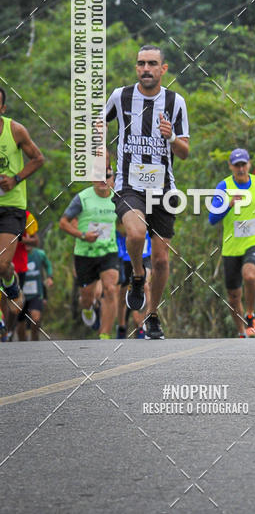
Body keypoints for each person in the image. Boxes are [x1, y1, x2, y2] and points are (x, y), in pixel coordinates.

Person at [103, 45, 189, 340]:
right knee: (136, 235)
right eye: (141, 63)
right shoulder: (121, 96)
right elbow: (97, 125)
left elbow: (185, 151)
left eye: (152, 64)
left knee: (163, 260)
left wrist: (172, 136)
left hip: (164, 188)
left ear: (163, 69)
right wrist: (103, 157)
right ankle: (138, 276)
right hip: (129, 184)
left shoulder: (175, 102)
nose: (146, 69)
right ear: (136, 67)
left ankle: (152, 316)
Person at [209, 148, 255, 338]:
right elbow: (212, 219)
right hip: (231, 246)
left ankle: (250, 315)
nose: (240, 169)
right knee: (233, 295)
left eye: (243, 164)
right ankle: (241, 332)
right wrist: (227, 205)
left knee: (250, 275)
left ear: (249, 165)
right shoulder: (224, 187)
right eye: (236, 165)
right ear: (230, 166)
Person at [0, 87, 45, 323]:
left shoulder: (15, 130)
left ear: (3, 108)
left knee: (2, 263)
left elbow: (38, 158)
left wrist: (15, 179)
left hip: (11, 206)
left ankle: (11, 284)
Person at [59, 168, 119, 340]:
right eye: (98, 176)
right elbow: (63, 223)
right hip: (85, 253)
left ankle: (105, 334)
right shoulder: (82, 198)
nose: (103, 180)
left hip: (109, 251)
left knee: (110, 289)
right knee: (87, 296)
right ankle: (87, 307)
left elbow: (123, 223)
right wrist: (83, 235)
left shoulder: (118, 198)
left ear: (113, 178)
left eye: (107, 176)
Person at [1, 210, 39, 341]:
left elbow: (35, 241)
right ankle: (4, 329)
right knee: (2, 299)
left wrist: (19, 238)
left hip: (19, 266)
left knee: (13, 304)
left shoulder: (27, 216)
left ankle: (9, 331)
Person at [116, 229, 151, 338]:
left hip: (145, 257)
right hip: (126, 258)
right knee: (122, 295)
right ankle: (121, 327)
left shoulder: (150, 213)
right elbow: (118, 229)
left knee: (144, 285)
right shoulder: (124, 214)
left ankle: (141, 326)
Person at [16, 245, 53, 341]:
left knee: (36, 319)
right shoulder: (17, 254)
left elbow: (48, 265)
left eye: (31, 237)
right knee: (20, 324)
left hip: (36, 293)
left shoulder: (40, 254)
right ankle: (22, 345)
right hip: (21, 294)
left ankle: (34, 342)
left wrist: (49, 277)